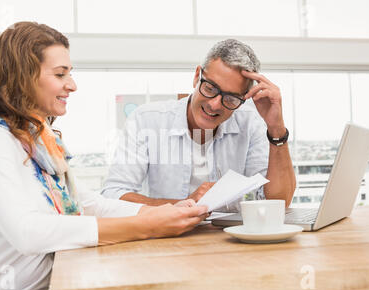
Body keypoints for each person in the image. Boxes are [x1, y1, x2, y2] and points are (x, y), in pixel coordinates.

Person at [0, 22, 208, 290]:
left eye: (70, 73)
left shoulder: (40, 144)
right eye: (60, 74)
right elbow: (28, 232)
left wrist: (165, 212)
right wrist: (144, 226)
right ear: (23, 77)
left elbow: (87, 204)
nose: (72, 85)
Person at [101, 39, 296, 210]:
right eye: (210, 88)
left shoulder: (251, 123)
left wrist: (276, 127)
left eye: (230, 98)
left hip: (232, 243)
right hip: (165, 241)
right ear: (197, 76)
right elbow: (114, 195)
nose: (214, 104)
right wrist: (184, 204)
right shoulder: (147, 120)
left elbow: (278, 202)